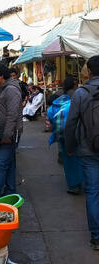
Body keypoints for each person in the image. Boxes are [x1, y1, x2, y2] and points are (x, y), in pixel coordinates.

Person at [65, 55, 99, 250]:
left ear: (90, 72)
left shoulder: (80, 93)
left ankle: (96, 237)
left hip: (88, 149)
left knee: (93, 192)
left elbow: (71, 124)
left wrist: (70, 147)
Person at [0, 65, 23, 199]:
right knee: (9, 163)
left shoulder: (11, 90)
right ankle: (10, 190)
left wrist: (7, 135)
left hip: (10, 134)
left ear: (1, 76)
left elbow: (12, 115)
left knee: (1, 163)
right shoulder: (1, 89)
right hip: (2, 132)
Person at [47, 76, 83, 195]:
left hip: (62, 135)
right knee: (80, 158)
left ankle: (73, 186)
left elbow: (52, 116)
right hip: (77, 133)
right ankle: (83, 183)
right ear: (74, 83)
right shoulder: (80, 94)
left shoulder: (59, 96)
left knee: (68, 160)